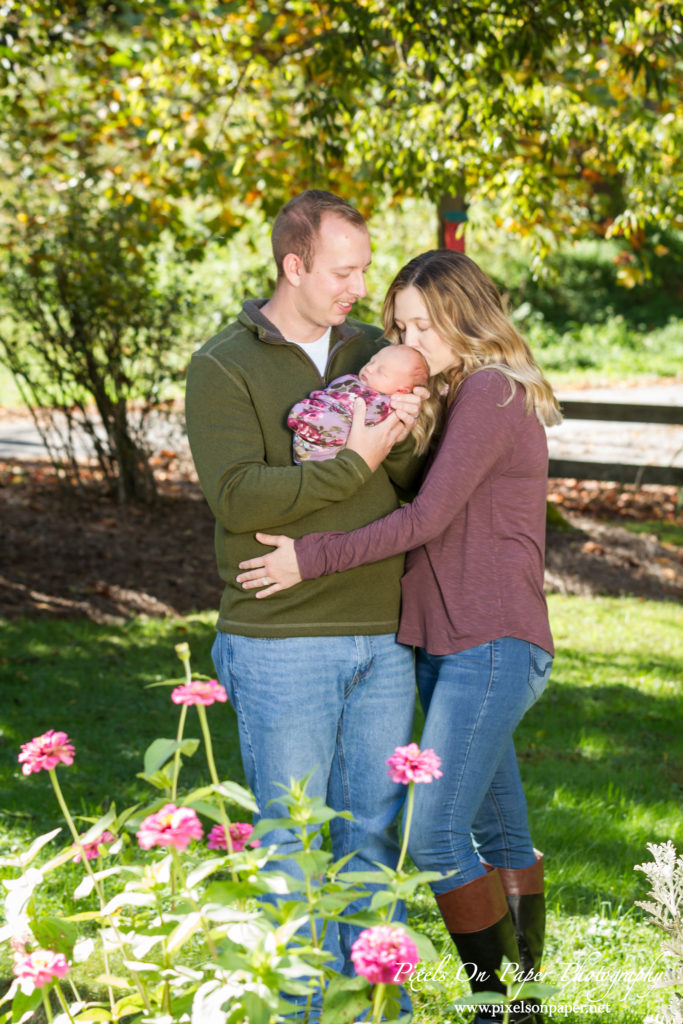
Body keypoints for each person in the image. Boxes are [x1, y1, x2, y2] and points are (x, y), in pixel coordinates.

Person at [236, 249, 563, 1024]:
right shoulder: (458, 393)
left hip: (488, 642)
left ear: (464, 316)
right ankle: (523, 1007)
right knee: (499, 830)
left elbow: (422, 521)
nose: (411, 337)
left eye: (424, 323)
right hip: (452, 643)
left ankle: (497, 1005)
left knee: (437, 832)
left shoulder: (488, 391)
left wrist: (304, 560)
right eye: (400, 324)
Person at [184, 190, 427, 1006]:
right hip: (280, 639)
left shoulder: (379, 352)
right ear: (294, 267)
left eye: (364, 267)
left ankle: (361, 1012)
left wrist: (400, 432)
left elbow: (411, 488)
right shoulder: (223, 364)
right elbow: (241, 498)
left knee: (368, 847)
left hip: (382, 632)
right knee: (293, 852)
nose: (360, 286)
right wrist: (352, 463)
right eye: (342, 271)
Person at [288, 344, 430, 462]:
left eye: (381, 371)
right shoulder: (354, 380)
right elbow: (330, 392)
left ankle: (306, 418)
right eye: (372, 361)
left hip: (331, 451)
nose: (369, 368)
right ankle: (308, 418)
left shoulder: (386, 406)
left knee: (340, 425)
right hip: (311, 437)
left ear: (401, 391)